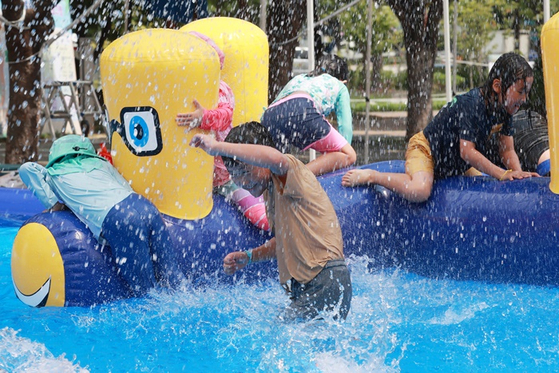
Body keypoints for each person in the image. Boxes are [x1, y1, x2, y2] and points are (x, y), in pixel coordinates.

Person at [189, 122, 352, 321]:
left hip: (324, 279)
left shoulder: (288, 173)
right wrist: (249, 256)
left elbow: (275, 157)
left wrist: (216, 147)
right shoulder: (273, 192)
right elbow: (285, 242)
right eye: (236, 176)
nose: (244, 182)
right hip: (316, 283)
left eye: (247, 171)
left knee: (281, 341)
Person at [342, 52, 540, 202]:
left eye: (527, 93)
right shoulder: (472, 104)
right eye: (521, 92)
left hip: (454, 165)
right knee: (420, 191)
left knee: (483, 192)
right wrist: (502, 173)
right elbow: (467, 152)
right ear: (498, 86)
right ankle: (373, 176)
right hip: (426, 150)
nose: (524, 99)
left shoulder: (505, 109)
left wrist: (519, 176)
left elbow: (507, 150)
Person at [19, 135, 184, 296]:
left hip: (119, 218)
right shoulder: (102, 164)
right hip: (144, 206)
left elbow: (26, 168)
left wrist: (54, 204)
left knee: (145, 292)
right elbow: (125, 188)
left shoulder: (54, 173)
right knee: (173, 277)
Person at [176, 31, 268, 231]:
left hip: (228, 176)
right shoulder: (178, 91)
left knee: (257, 216)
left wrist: (204, 117)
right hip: (197, 178)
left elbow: (225, 114)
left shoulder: (220, 88)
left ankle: (275, 225)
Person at [262, 54, 357, 176]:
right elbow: (346, 126)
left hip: (270, 116)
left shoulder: (300, 78)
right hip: (302, 109)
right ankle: (297, 176)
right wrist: (343, 160)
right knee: (349, 155)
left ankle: (278, 184)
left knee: (277, 170)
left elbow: (278, 103)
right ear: (343, 80)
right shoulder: (339, 85)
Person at [486, 109, 550, 176]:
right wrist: (502, 174)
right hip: (528, 124)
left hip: (531, 122)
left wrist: (518, 173)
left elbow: (507, 151)